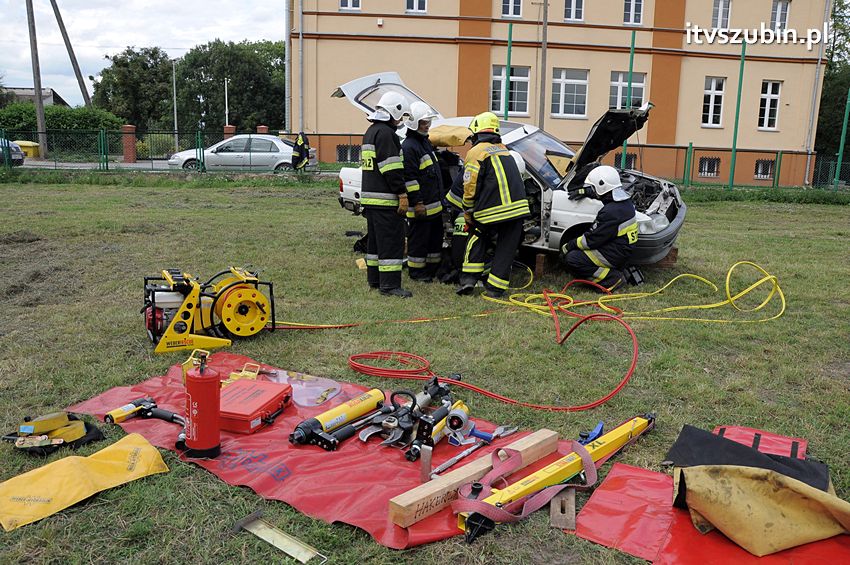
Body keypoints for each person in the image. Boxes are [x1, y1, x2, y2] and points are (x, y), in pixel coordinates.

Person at [457, 111, 530, 299]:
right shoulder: (504, 149)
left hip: (491, 210)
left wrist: (468, 211)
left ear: (476, 132)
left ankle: (468, 280)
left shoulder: (475, 152)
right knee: (506, 248)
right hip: (518, 209)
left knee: (476, 236)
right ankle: (495, 290)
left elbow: (470, 185)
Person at [361, 92, 413, 297]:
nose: (400, 121)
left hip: (371, 200)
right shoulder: (386, 134)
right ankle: (390, 285)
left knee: (375, 244)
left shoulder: (371, 131)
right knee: (391, 243)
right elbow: (391, 168)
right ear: (394, 111)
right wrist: (402, 193)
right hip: (385, 200)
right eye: (401, 116)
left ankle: (375, 280)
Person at [561, 165, 638, 291]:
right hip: (621, 251)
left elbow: (591, 240)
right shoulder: (624, 203)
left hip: (613, 255)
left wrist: (570, 245)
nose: (592, 190)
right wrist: (584, 191)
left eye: (593, 187)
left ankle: (612, 279)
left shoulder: (610, 212)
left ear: (601, 186)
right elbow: (602, 192)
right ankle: (613, 270)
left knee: (573, 259)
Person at [401, 101, 444, 282]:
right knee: (419, 241)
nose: (427, 125)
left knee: (434, 240)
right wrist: (417, 203)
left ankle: (432, 270)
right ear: (414, 123)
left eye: (428, 122)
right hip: (421, 207)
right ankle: (417, 272)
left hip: (433, 207)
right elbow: (410, 179)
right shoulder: (409, 147)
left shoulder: (424, 143)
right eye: (423, 122)